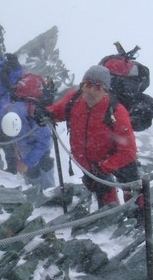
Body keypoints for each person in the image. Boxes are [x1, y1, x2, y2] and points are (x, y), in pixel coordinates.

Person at [39, 65, 141, 210]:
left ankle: (139, 221)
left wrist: (103, 167)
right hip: (90, 165)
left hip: (115, 161)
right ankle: (109, 218)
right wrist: (46, 112)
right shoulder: (74, 100)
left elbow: (128, 152)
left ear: (106, 91)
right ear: (82, 86)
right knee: (104, 197)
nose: (91, 91)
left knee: (134, 193)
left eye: (98, 87)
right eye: (87, 85)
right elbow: (59, 111)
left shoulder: (116, 112)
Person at [0, 75, 56, 190]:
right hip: (24, 144)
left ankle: (48, 190)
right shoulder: (8, 111)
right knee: (33, 170)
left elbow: (44, 142)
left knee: (43, 161)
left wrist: (26, 162)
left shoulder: (34, 116)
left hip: (39, 142)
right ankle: (39, 192)